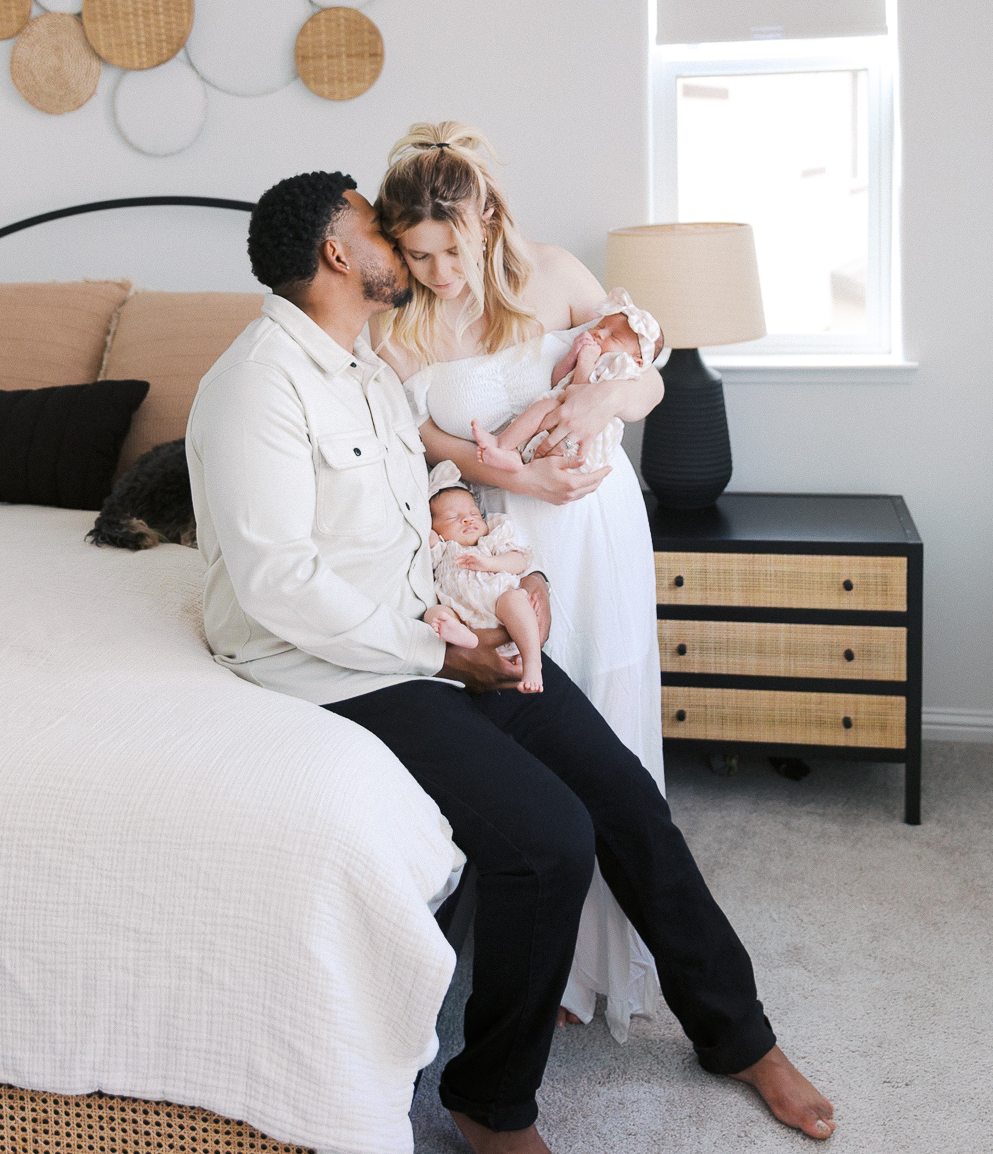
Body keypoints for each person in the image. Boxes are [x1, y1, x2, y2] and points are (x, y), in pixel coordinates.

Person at [186, 169, 836, 1152]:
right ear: (336, 253)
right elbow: (279, 584)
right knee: (547, 837)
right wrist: (444, 651)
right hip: (344, 665)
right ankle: (488, 1101)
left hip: (435, 625)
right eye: (377, 228)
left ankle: (739, 1036)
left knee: (624, 797)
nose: (402, 250)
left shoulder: (359, 364)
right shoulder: (252, 387)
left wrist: (489, 565)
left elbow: (420, 480)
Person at [374, 122, 667, 1036]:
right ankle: (542, 957)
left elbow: (644, 373)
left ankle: (608, 961)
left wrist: (594, 399)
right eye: (417, 255)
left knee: (610, 713)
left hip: (598, 522)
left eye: (450, 250)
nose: (437, 273)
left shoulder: (555, 270)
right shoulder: (400, 321)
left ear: (489, 220)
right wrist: (516, 477)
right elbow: (422, 440)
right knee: (537, 719)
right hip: (498, 535)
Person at [472, 287, 662, 476]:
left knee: (546, 406)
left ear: (637, 361)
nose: (600, 334)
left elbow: (582, 396)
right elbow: (558, 382)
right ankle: (510, 454)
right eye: (600, 326)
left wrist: (585, 362)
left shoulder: (619, 367)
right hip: (563, 414)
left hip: (583, 440)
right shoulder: (593, 352)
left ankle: (502, 445)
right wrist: (573, 355)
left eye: (613, 336)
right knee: (545, 407)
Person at [426, 464, 543, 692]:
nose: (468, 520)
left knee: (514, 599)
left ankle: (533, 663)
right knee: (436, 614)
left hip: (500, 609)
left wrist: (490, 563)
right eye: (453, 518)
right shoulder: (442, 549)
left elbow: (520, 561)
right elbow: (423, 536)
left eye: (473, 514)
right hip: (462, 617)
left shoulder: (491, 540)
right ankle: (463, 636)